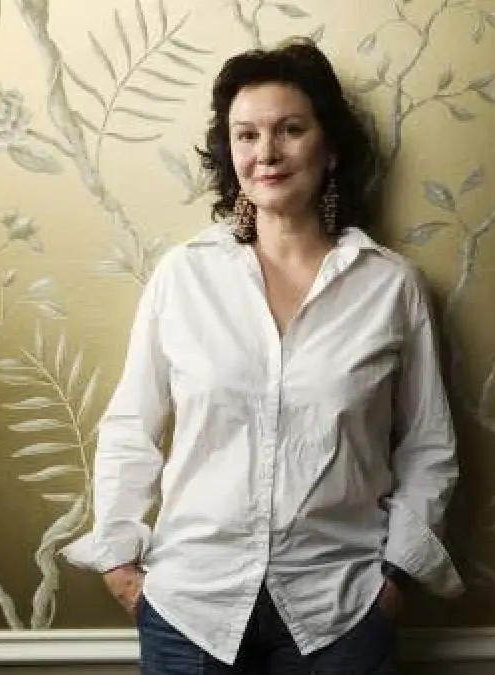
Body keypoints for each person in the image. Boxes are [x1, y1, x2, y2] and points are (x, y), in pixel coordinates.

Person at [61, 38, 464, 674]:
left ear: (330, 148)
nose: (266, 152)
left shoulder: (392, 288)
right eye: (245, 135)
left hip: (340, 612)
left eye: (290, 130)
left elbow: (428, 446)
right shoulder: (183, 276)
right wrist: (118, 564)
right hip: (191, 609)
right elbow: (131, 426)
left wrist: (394, 579)